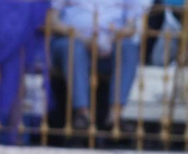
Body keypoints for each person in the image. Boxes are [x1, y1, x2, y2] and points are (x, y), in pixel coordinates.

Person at [47, 0, 147, 133]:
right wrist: (79, 36)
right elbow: (52, 20)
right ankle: (82, 114)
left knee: (129, 48)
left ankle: (115, 116)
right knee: (74, 49)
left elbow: (131, 26)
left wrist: (111, 38)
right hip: (72, 40)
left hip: (111, 44)